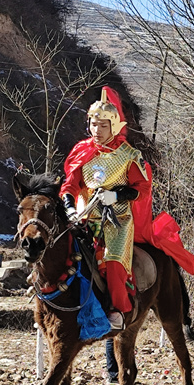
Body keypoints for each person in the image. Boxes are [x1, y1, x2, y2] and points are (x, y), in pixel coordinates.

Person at [60, 86, 152, 331]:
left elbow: (142, 188)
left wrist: (117, 195)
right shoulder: (82, 152)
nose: (97, 131)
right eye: (93, 125)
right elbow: (69, 185)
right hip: (85, 217)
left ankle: (118, 309)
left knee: (112, 260)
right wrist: (69, 208)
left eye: (103, 126)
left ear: (114, 126)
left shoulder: (129, 154)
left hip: (117, 219)